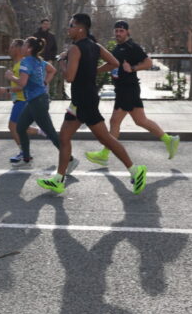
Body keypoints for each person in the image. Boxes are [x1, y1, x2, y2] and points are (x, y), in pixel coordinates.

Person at [37, 13, 146, 195]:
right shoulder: (96, 46)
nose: (69, 28)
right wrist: (93, 71)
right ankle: (59, 179)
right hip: (85, 98)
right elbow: (114, 62)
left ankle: (135, 170)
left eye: (71, 25)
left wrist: (63, 62)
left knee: (104, 138)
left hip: (83, 100)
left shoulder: (74, 49)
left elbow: (70, 77)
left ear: (80, 28)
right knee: (65, 137)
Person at [85, 20, 179, 165]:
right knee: (140, 120)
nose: (118, 33)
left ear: (127, 32)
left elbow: (148, 63)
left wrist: (133, 68)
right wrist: (95, 71)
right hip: (125, 89)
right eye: (116, 31)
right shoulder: (118, 47)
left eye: (121, 31)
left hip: (127, 88)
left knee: (115, 121)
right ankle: (169, 140)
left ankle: (104, 154)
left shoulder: (132, 47)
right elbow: (112, 64)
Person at [6, 36, 70, 169]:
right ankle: (26, 158)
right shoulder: (38, 60)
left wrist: (11, 77)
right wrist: (45, 82)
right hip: (36, 100)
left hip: (38, 102)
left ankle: (70, 159)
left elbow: (22, 83)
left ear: (29, 49)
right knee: (20, 127)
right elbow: (52, 70)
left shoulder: (25, 62)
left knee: (51, 133)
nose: (21, 47)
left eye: (24, 45)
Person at [0, 38, 42, 163]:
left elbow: (23, 85)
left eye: (11, 46)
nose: (9, 49)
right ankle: (43, 131)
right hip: (21, 100)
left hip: (23, 100)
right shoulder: (18, 64)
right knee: (19, 127)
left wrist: (6, 89)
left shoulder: (22, 64)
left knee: (13, 127)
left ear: (17, 48)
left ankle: (24, 152)